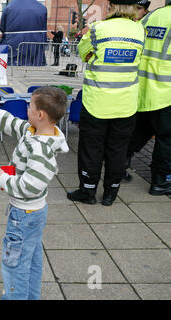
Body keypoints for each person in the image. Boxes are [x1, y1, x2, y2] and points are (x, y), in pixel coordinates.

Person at [0, 87, 69, 300]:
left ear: (40, 114)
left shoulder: (41, 149)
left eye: (29, 105)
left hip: (24, 215)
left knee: (15, 266)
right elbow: (8, 121)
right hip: (33, 213)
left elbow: (29, 186)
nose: (26, 108)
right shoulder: (34, 131)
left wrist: (3, 179)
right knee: (30, 259)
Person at [67, 0, 145, 206]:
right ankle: (110, 193)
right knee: (118, 150)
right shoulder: (139, 30)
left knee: (91, 149)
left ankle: (88, 192)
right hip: (126, 104)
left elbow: (83, 53)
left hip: (97, 104)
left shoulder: (97, 29)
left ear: (111, 6)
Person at [125, 1, 171, 195]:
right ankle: (160, 180)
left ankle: (118, 166)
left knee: (140, 131)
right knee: (166, 139)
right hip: (166, 91)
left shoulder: (153, 16)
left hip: (144, 87)